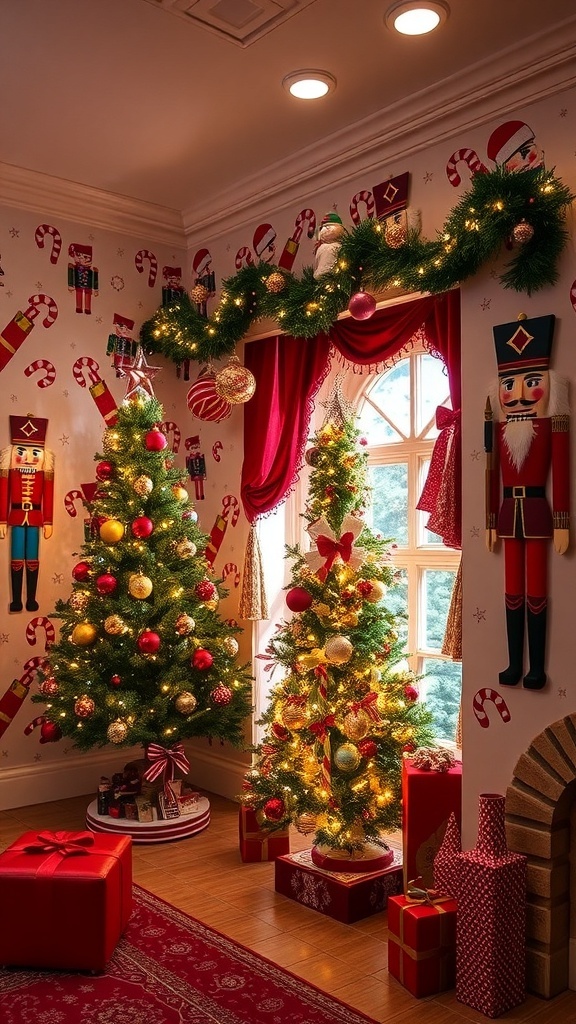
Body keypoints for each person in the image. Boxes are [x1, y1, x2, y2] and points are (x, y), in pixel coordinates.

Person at [485, 314, 569, 689]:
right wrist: (490, 520)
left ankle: (536, 667)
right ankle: (511, 663)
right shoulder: (498, 429)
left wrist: (563, 521)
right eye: (509, 385)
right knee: (511, 590)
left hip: (536, 513)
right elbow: (490, 476)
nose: (518, 394)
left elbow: (563, 473)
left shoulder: (554, 426)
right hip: (507, 515)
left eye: (532, 383)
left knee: (536, 588)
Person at [0, 415, 54, 612]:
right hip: (15, 516)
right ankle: (16, 600)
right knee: (16, 559)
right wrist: (2, 520)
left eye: (35, 453)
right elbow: (3, 493)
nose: (29, 458)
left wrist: (48, 521)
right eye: (22, 452)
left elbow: (48, 495)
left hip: (35, 518)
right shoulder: (10, 472)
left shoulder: (44, 473)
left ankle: (31, 599)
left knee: (32, 558)